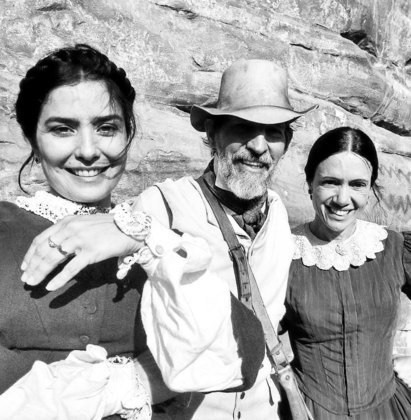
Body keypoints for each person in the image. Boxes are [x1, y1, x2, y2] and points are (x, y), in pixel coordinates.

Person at [14, 58, 316, 419]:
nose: (258, 146)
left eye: (274, 132)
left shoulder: (279, 214)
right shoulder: (161, 207)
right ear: (212, 133)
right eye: (242, 128)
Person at [0, 43, 176, 419]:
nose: (88, 151)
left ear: (128, 133)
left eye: (106, 128)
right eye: (62, 129)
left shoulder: (156, 241)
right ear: (32, 139)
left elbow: (242, 354)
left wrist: (138, 237)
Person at [282, 126, 411, 419]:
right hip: (310, 411)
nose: (342, 199)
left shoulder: (392, 247)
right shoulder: (282, 252)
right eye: (330, 182)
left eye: (357, 185)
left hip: (388, 410)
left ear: (370, 188)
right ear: (310, 183)